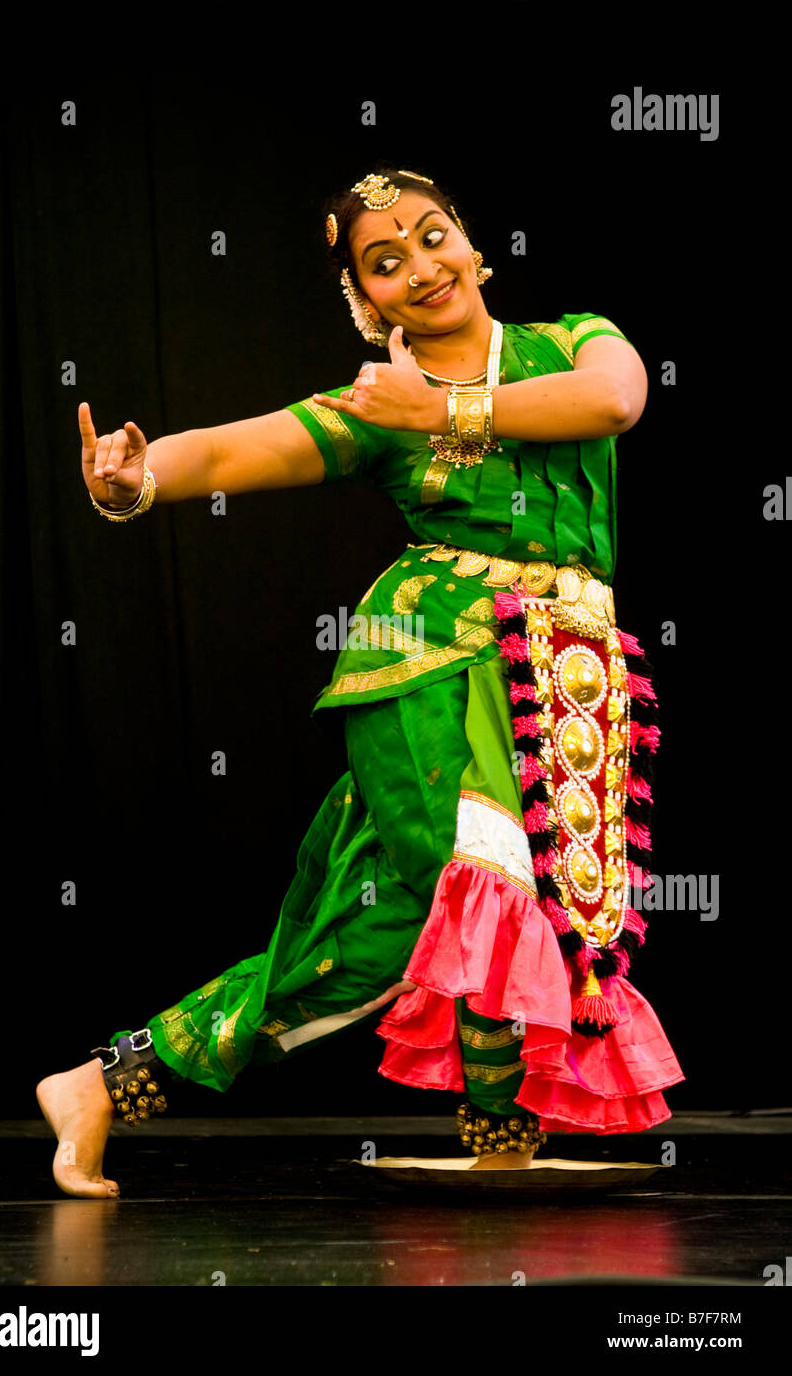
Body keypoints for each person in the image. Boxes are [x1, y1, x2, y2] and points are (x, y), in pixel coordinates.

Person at [36, 168, 685, 1199]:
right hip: (427, 661)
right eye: (385, 263)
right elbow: (236, 450)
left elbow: (616, 399)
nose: (419, 267)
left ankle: (106, 1084)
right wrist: (137, 477)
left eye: (432, 237)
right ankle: (500, 1134)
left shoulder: (573, 341)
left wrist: (442, 407)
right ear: (365, 300)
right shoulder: (377, 404)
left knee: (385, 931)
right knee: (487, 880)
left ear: (472, 245)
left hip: (568, 671)